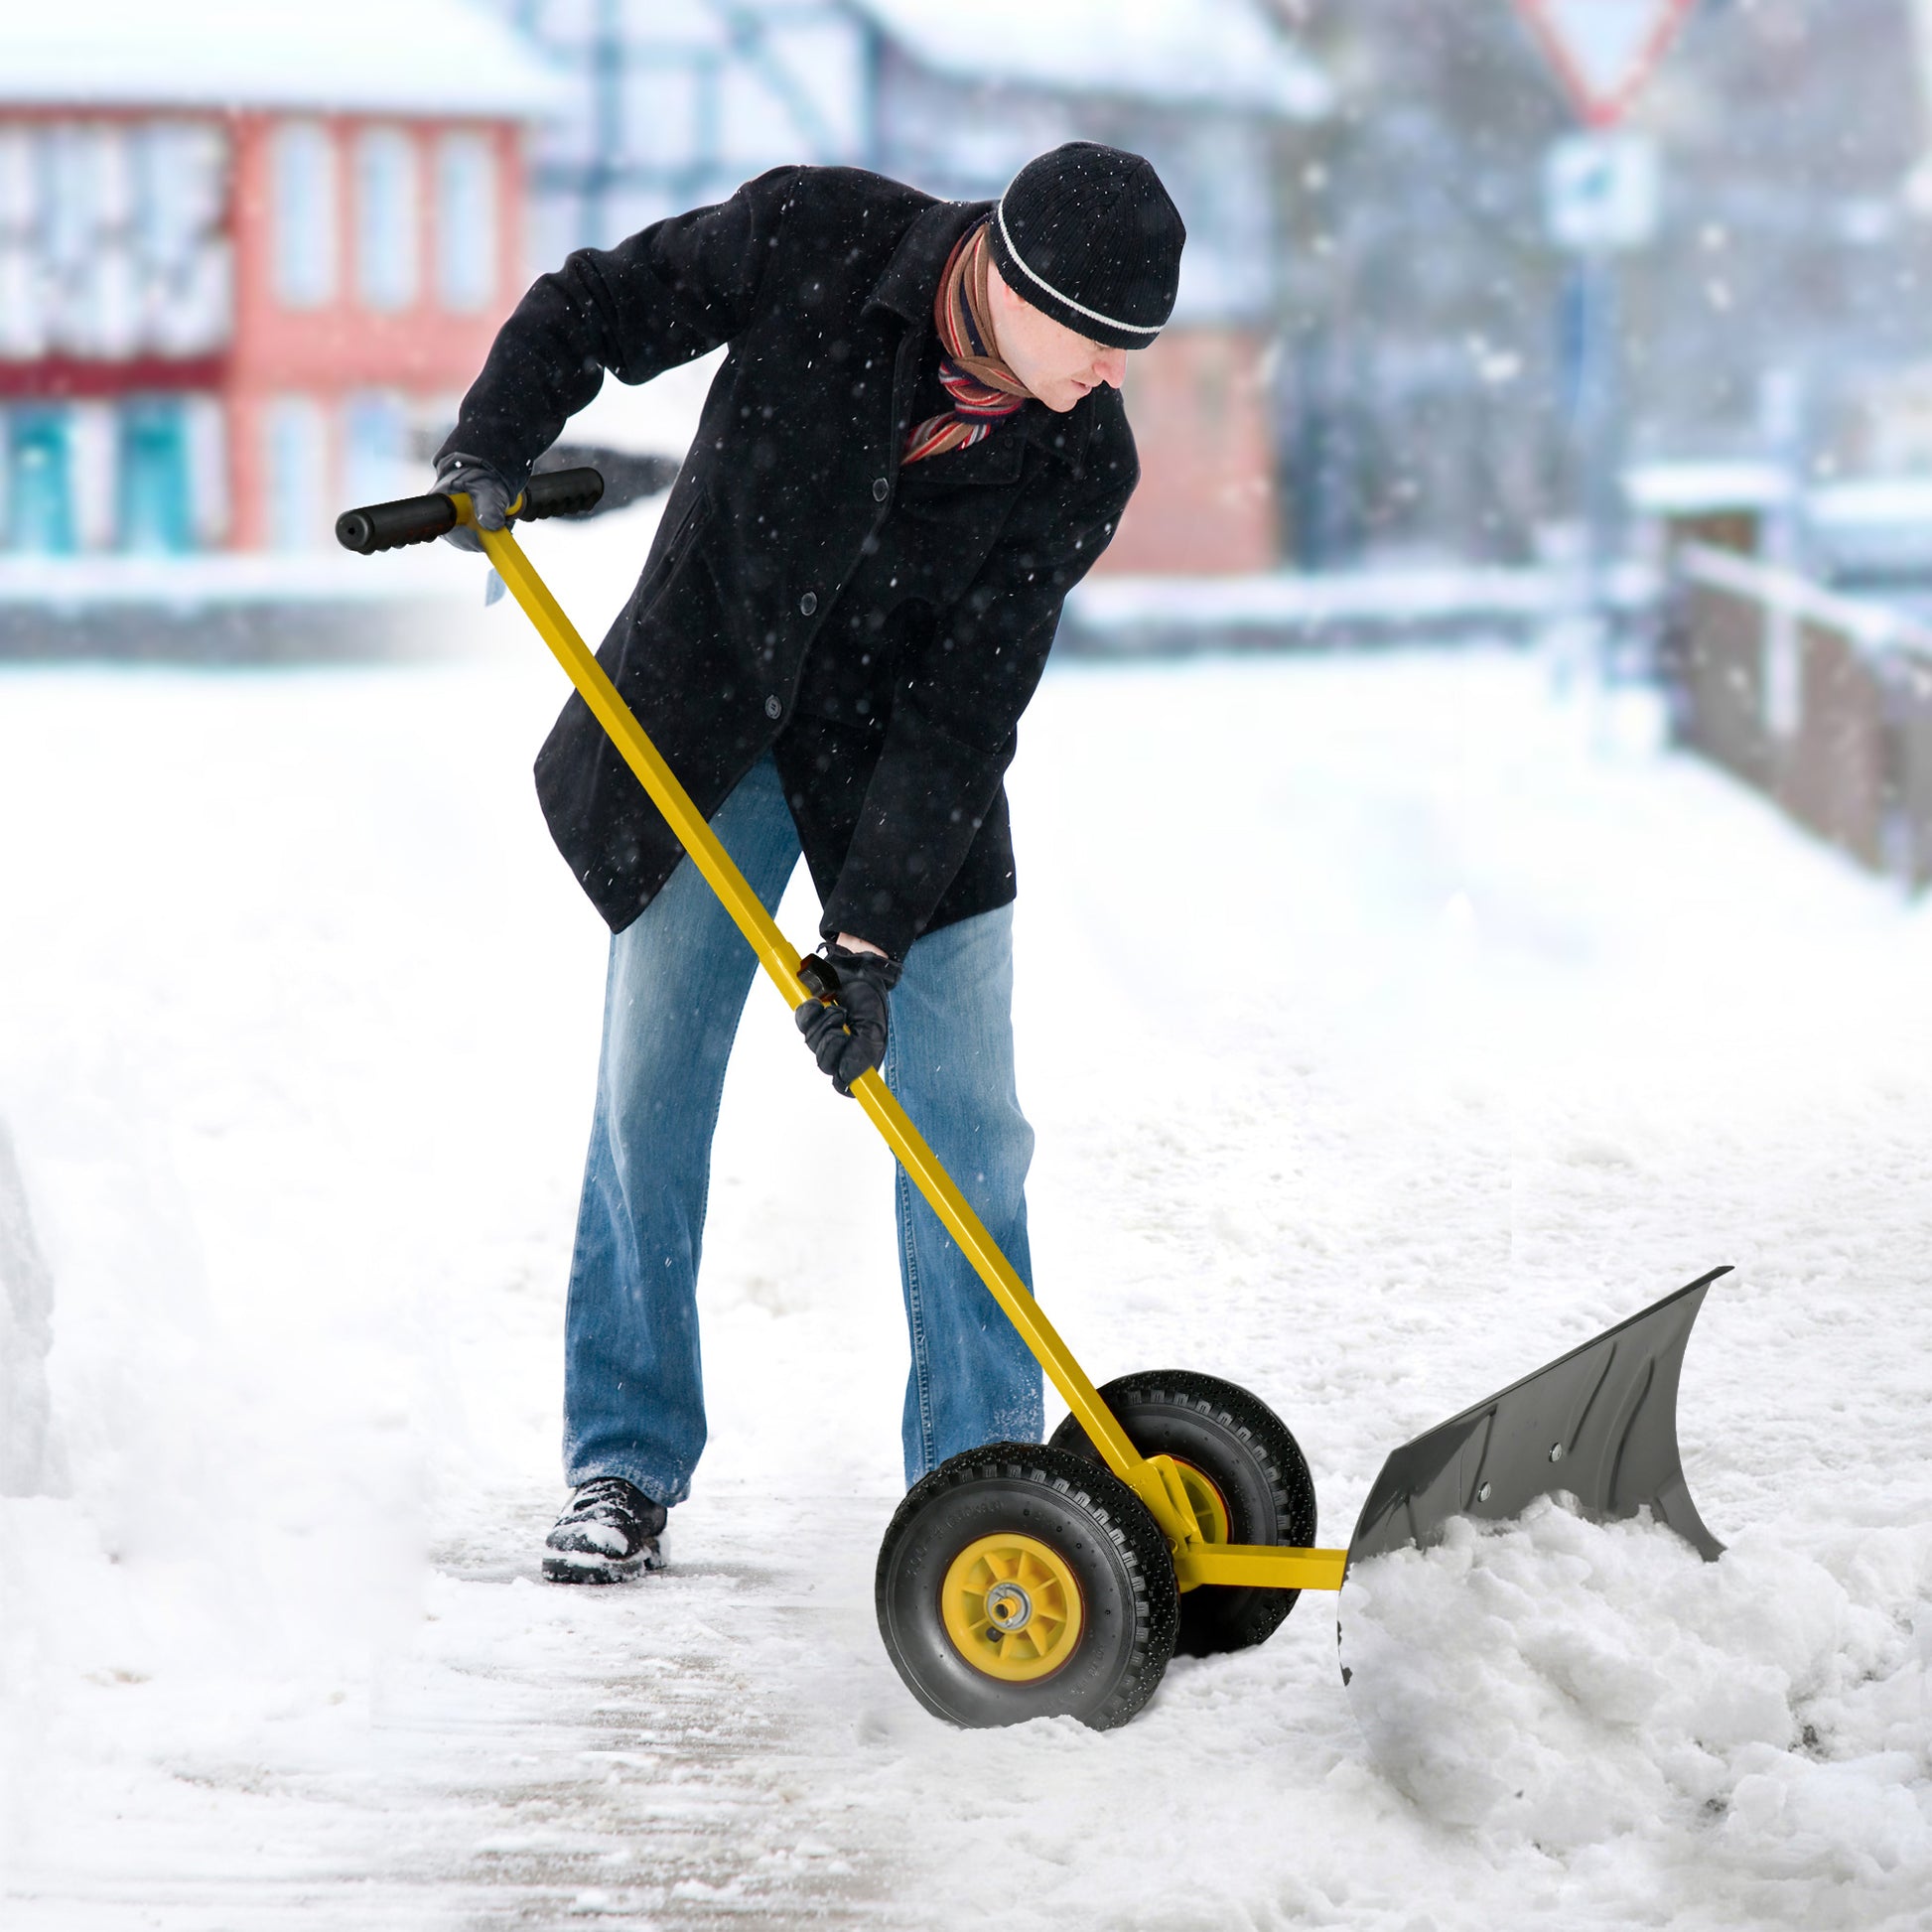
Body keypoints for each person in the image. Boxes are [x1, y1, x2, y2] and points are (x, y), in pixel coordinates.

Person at [435, 143, 1186, 1582]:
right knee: (649, 1101)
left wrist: (870, 943)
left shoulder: (1080, 454)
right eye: (1091, 337)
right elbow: (599, 305)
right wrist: (494, 441)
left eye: (1129, 348)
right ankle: (622, 1460)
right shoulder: (816, 236)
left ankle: (983, 1485)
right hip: (705, 731)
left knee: (968, 1134)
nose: (1105, 370)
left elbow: (969, 707)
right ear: (1010, 282)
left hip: (901, 785)